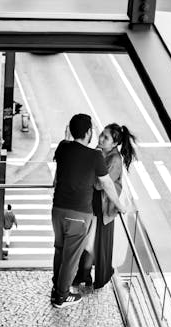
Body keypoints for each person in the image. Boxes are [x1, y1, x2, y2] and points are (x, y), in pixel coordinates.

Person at [51, 114, 126, 308]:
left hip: (57, 210)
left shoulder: (62, 147)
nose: (97, 135)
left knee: (60, 250)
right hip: (78, 214)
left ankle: (55, 288)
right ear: (88, 133)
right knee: (71, 256)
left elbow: (65, 160)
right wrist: (119, 206)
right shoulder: (94, 156)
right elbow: (107, 184)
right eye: (94, 131)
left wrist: (67, 136)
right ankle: (61, 296)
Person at [73, 123, 137, 290]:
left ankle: (91, 276)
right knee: (88, 243)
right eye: (101, 134)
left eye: (106, 137)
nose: (100, 138)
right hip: (92, 205)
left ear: (115, 143)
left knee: (93, 245)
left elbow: (100, 184)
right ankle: (84, 275)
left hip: (103, 209)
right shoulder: (99, 151)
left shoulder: (114, 159)